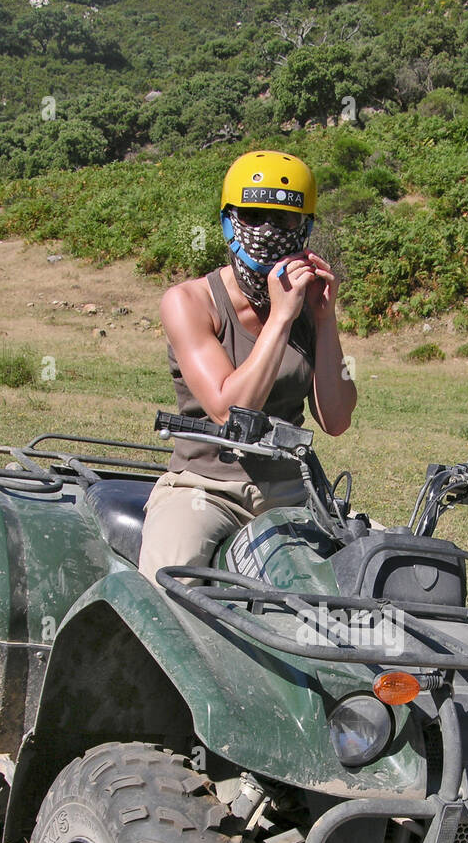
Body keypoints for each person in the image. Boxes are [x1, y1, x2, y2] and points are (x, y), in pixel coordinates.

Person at [138, 149, 357, 585]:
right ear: (227, 221)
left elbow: (336, 418)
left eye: (284, 221)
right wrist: (281, 317)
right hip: (203, 490)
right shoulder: (189, 302)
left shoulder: (305, 304)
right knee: (166, 591)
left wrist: (324, 319)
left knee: (357, 585)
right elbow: (229, 411)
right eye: (253, 216)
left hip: (293, 493)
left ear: (306, 228)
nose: (267, 232)